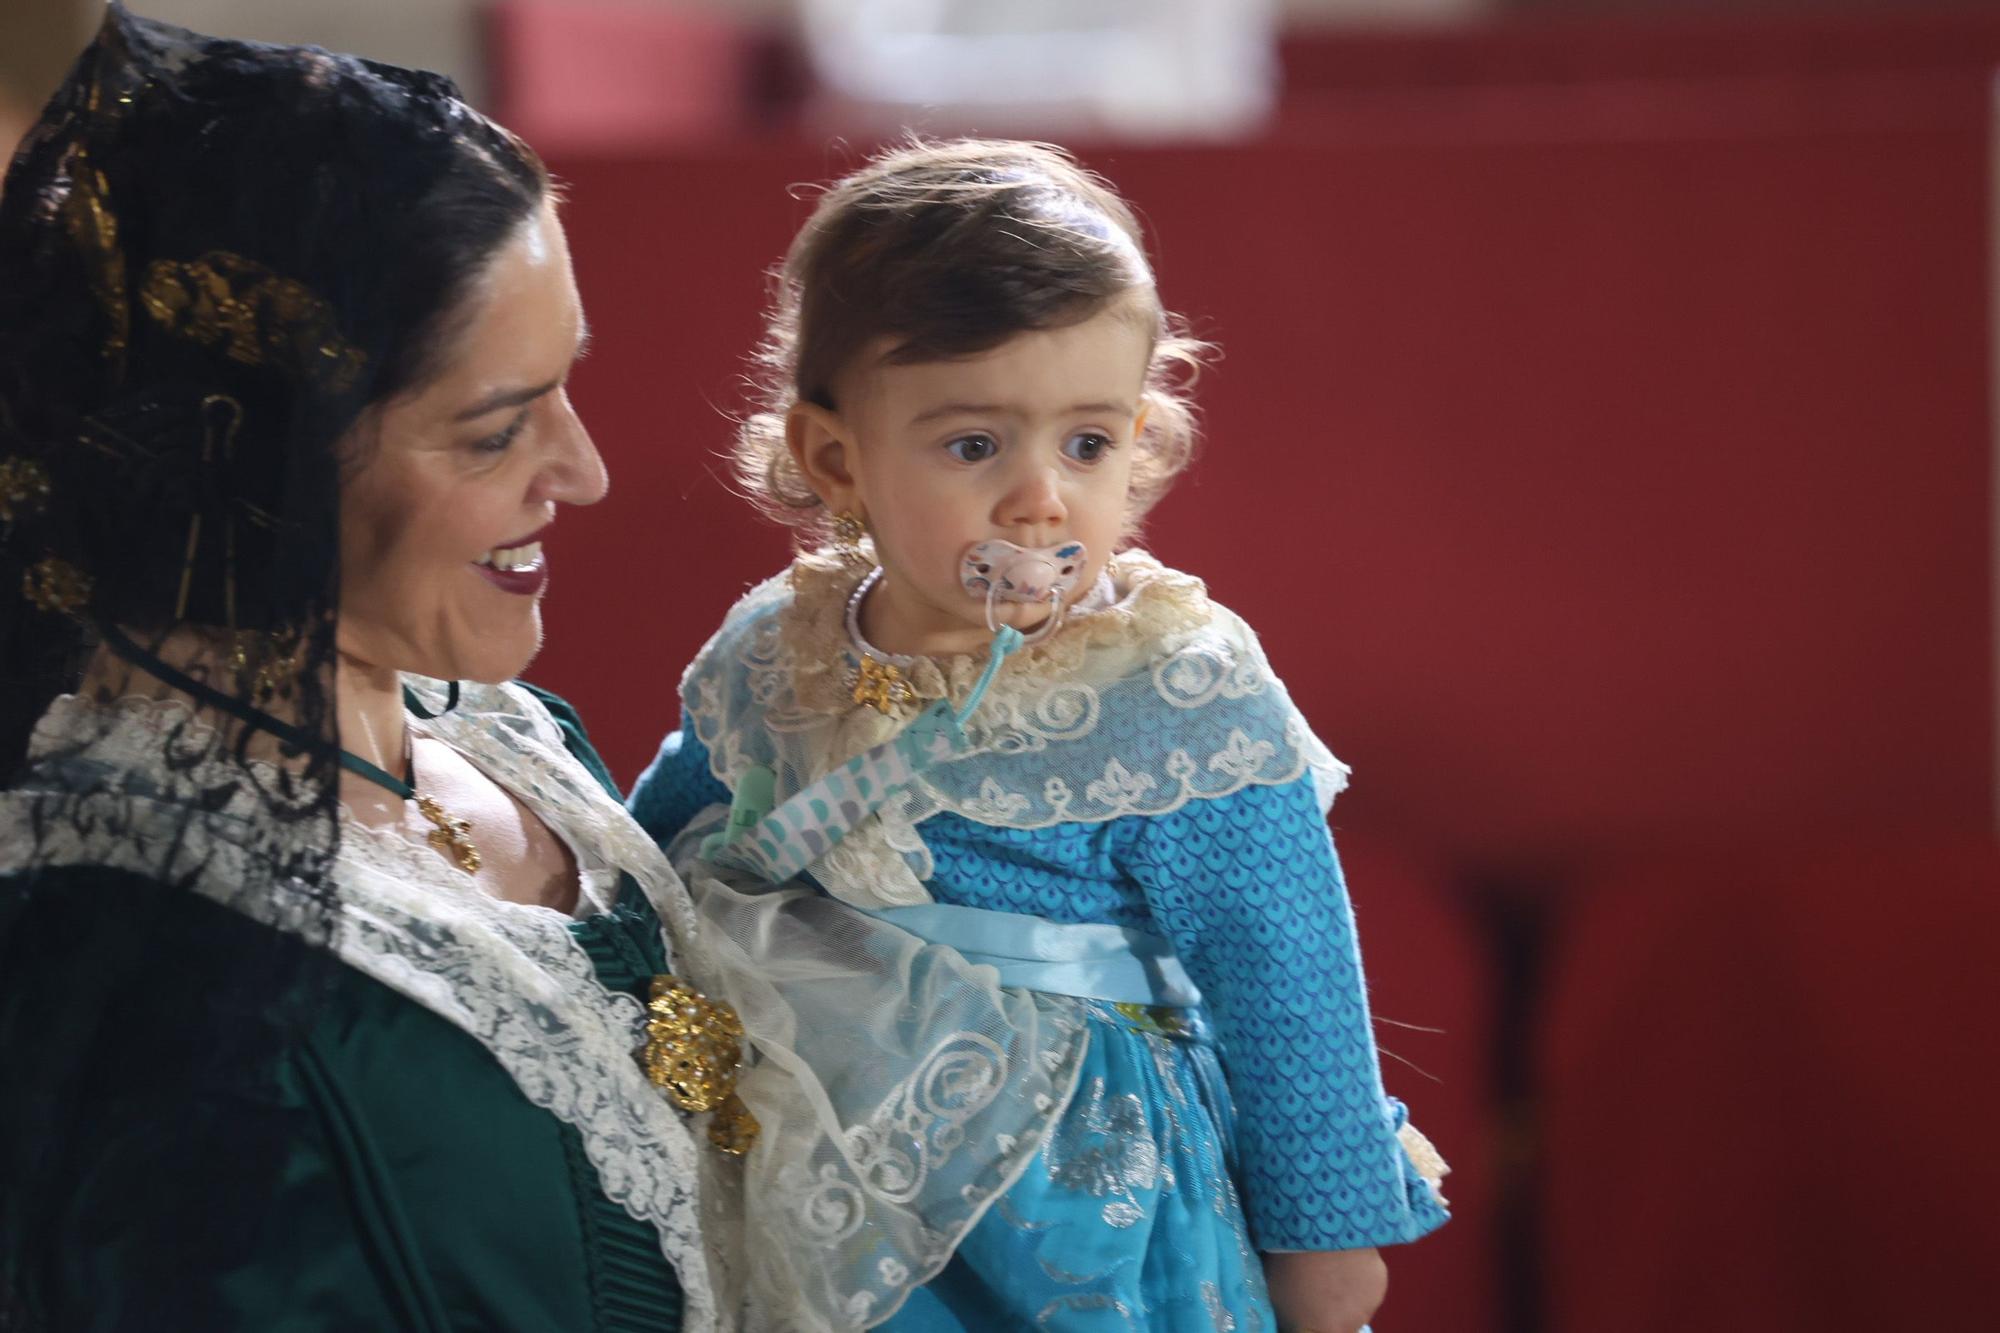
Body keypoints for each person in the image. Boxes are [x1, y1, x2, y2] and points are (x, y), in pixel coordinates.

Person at [0, 6, 741, 1329]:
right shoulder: (149, 978)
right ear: (257, 464)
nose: (585, 470)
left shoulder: (510, 734)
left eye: (565, 385)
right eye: (493, 430)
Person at [629, 139, 1448, 1333]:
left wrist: (1324, 1243)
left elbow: (1286, 974)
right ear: (833, 457)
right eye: (973, 446)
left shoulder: (1172, 686)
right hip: (818, 1162)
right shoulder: (778, 645)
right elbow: (676, 834)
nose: (1040, 499)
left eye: (1087, 443)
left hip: (1080, 1194)